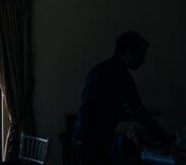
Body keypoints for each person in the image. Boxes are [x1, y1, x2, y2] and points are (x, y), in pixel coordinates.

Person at [73, 31, 170, 165]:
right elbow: (140, 112)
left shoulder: (98, 69)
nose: (143, 61)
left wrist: (132, 114)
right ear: (128, 51)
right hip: (95, 143)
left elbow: (99, 108)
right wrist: (167, 141)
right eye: (141, 55)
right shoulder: (121, 76)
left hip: (82, 139)